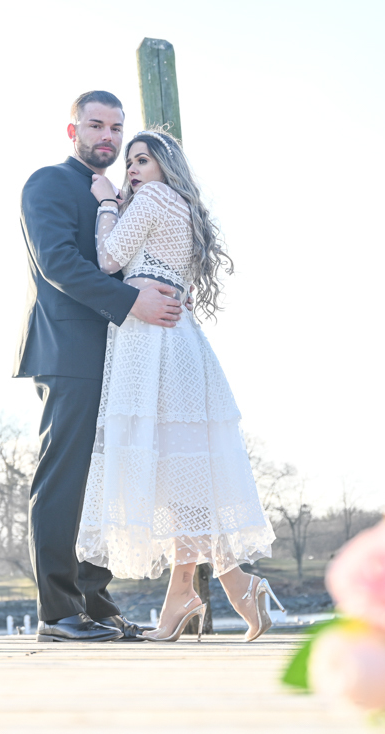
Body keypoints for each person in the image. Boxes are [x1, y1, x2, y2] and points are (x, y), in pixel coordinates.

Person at [79, 129, 284, 642]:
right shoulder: (183, 208)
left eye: (142, 160)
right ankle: (213, 589)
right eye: (129, 163)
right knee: (181, 474)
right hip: (180, 345)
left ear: (165, 165)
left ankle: (216, 588)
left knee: (172, 473)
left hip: (153, 348)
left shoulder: (149, 197)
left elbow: (107, 260)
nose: (132, 169)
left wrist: (107, 203)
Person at [16, 91, 183, 643]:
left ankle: (94, 601)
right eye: (95, 125)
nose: (107, 136)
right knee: (64, 481)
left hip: (125, 355)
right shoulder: (48, 183)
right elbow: (58, 262)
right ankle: (57, 614)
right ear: (73, 132)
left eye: (116, 127)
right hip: (70, 352)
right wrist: (130, 299)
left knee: (107, 483)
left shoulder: (126, 193)